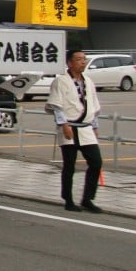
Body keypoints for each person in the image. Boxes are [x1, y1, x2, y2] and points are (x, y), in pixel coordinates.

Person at [46, 49, 104, 213]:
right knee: (69, 165)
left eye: (84, 59)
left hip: (85, 128)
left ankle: (87, 199)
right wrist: (63, 125)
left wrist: (95, 125)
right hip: (69, 126)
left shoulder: (88, 81)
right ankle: (68, 199)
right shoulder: (61, 81)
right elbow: (57, 106)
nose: (82, 62)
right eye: (78, 59)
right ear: (69, 63)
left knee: (96, 162)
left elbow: (92, 105)